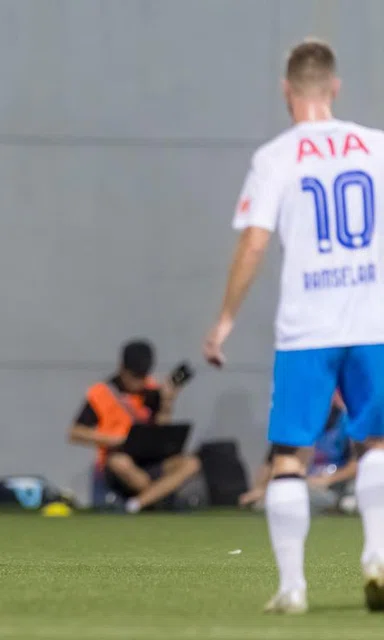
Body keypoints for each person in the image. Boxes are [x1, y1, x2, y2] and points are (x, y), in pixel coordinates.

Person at [203, 39, 384, 613]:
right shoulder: (377, 148)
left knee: (288, 456)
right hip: (373, 322)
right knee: (378, 441)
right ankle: (378, 555)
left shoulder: (278, 156)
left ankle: (293, 587)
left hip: (308, 330)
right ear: (335, 87)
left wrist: (225, 320)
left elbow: (254, 243)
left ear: (287, 90)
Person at [69, 339, 201, 513]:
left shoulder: (152, 390)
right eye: (134, 376)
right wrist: (116, 439)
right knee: (121, 463)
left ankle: (137, 504)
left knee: (191, 463)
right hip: (118, 460)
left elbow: (161, 428)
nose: (139, 382)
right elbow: (75, 432)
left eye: (143, 376)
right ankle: (158, 499)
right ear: (122, 368)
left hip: (150, 460)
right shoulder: (101, 393)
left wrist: (167, 402)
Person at [239, 392, 357, 513]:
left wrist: (327, 480)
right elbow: (273, 461)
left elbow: (356, 465)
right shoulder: (296, 424)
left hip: (334, 486)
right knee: (272, 498)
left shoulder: (348, 421)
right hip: (303, 483)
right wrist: (259, 489)